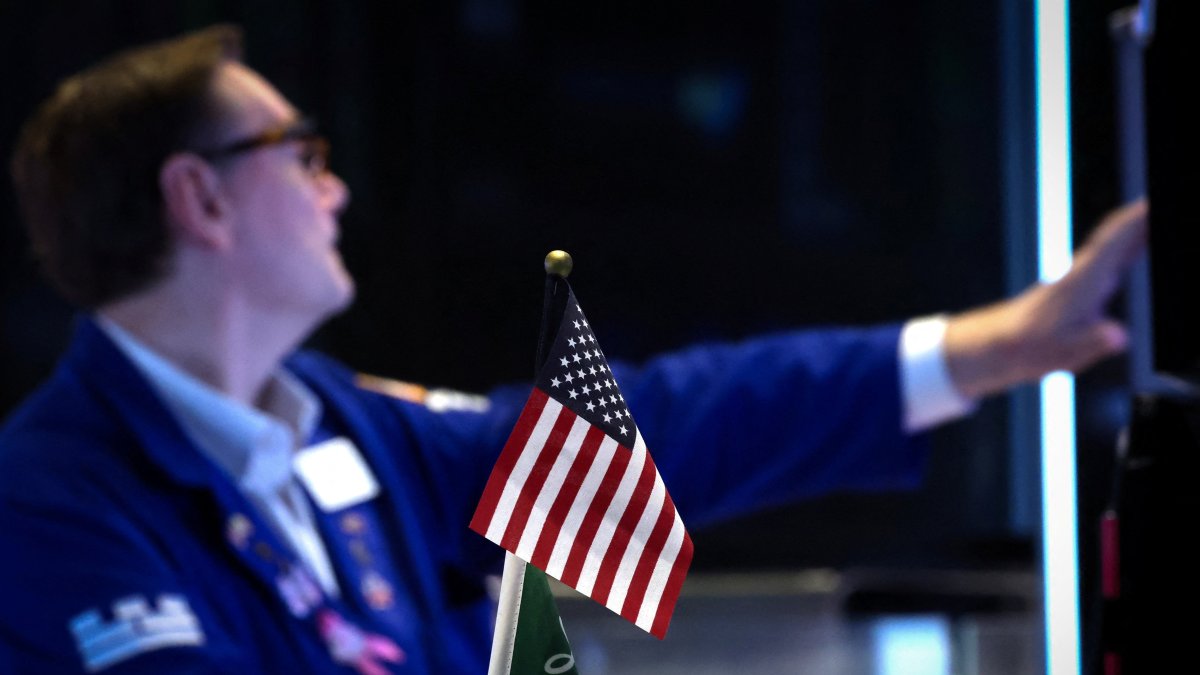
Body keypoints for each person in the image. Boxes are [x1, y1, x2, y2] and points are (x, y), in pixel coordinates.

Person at [0, 24, 1146, 675]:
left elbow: (668, 427)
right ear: (200, 200)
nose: (335, 187)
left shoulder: (337, 422)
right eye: (299, 154)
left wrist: (1002, 346)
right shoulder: (53, 502)